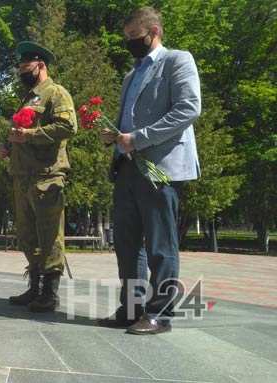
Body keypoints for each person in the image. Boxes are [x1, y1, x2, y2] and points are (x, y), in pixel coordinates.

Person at [97, 7, 201, 334]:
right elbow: (129, 120)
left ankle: (161, 314)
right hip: (127, 168)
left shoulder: (177, 61)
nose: (130, 44)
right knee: (127, 244)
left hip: (161, 169)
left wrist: (137, 139)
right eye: (127, 38)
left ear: (154, 31)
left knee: (160, 246)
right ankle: (132, 309)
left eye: (135, 38)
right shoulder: (131, 74)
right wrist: (114, 137)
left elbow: (188, 108)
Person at [0, 41, 77, 313]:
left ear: (40, 65)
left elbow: (68, 126)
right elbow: (19, 131)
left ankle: (49, 294)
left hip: (47, 176)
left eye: (24, 66)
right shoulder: (28, 99)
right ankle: (34, 288)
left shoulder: (56, 93)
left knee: (50, 237)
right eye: (19, 66)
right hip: (22, 176)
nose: (20, 71)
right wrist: (8, 145)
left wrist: (29, 136)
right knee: (27, 236)